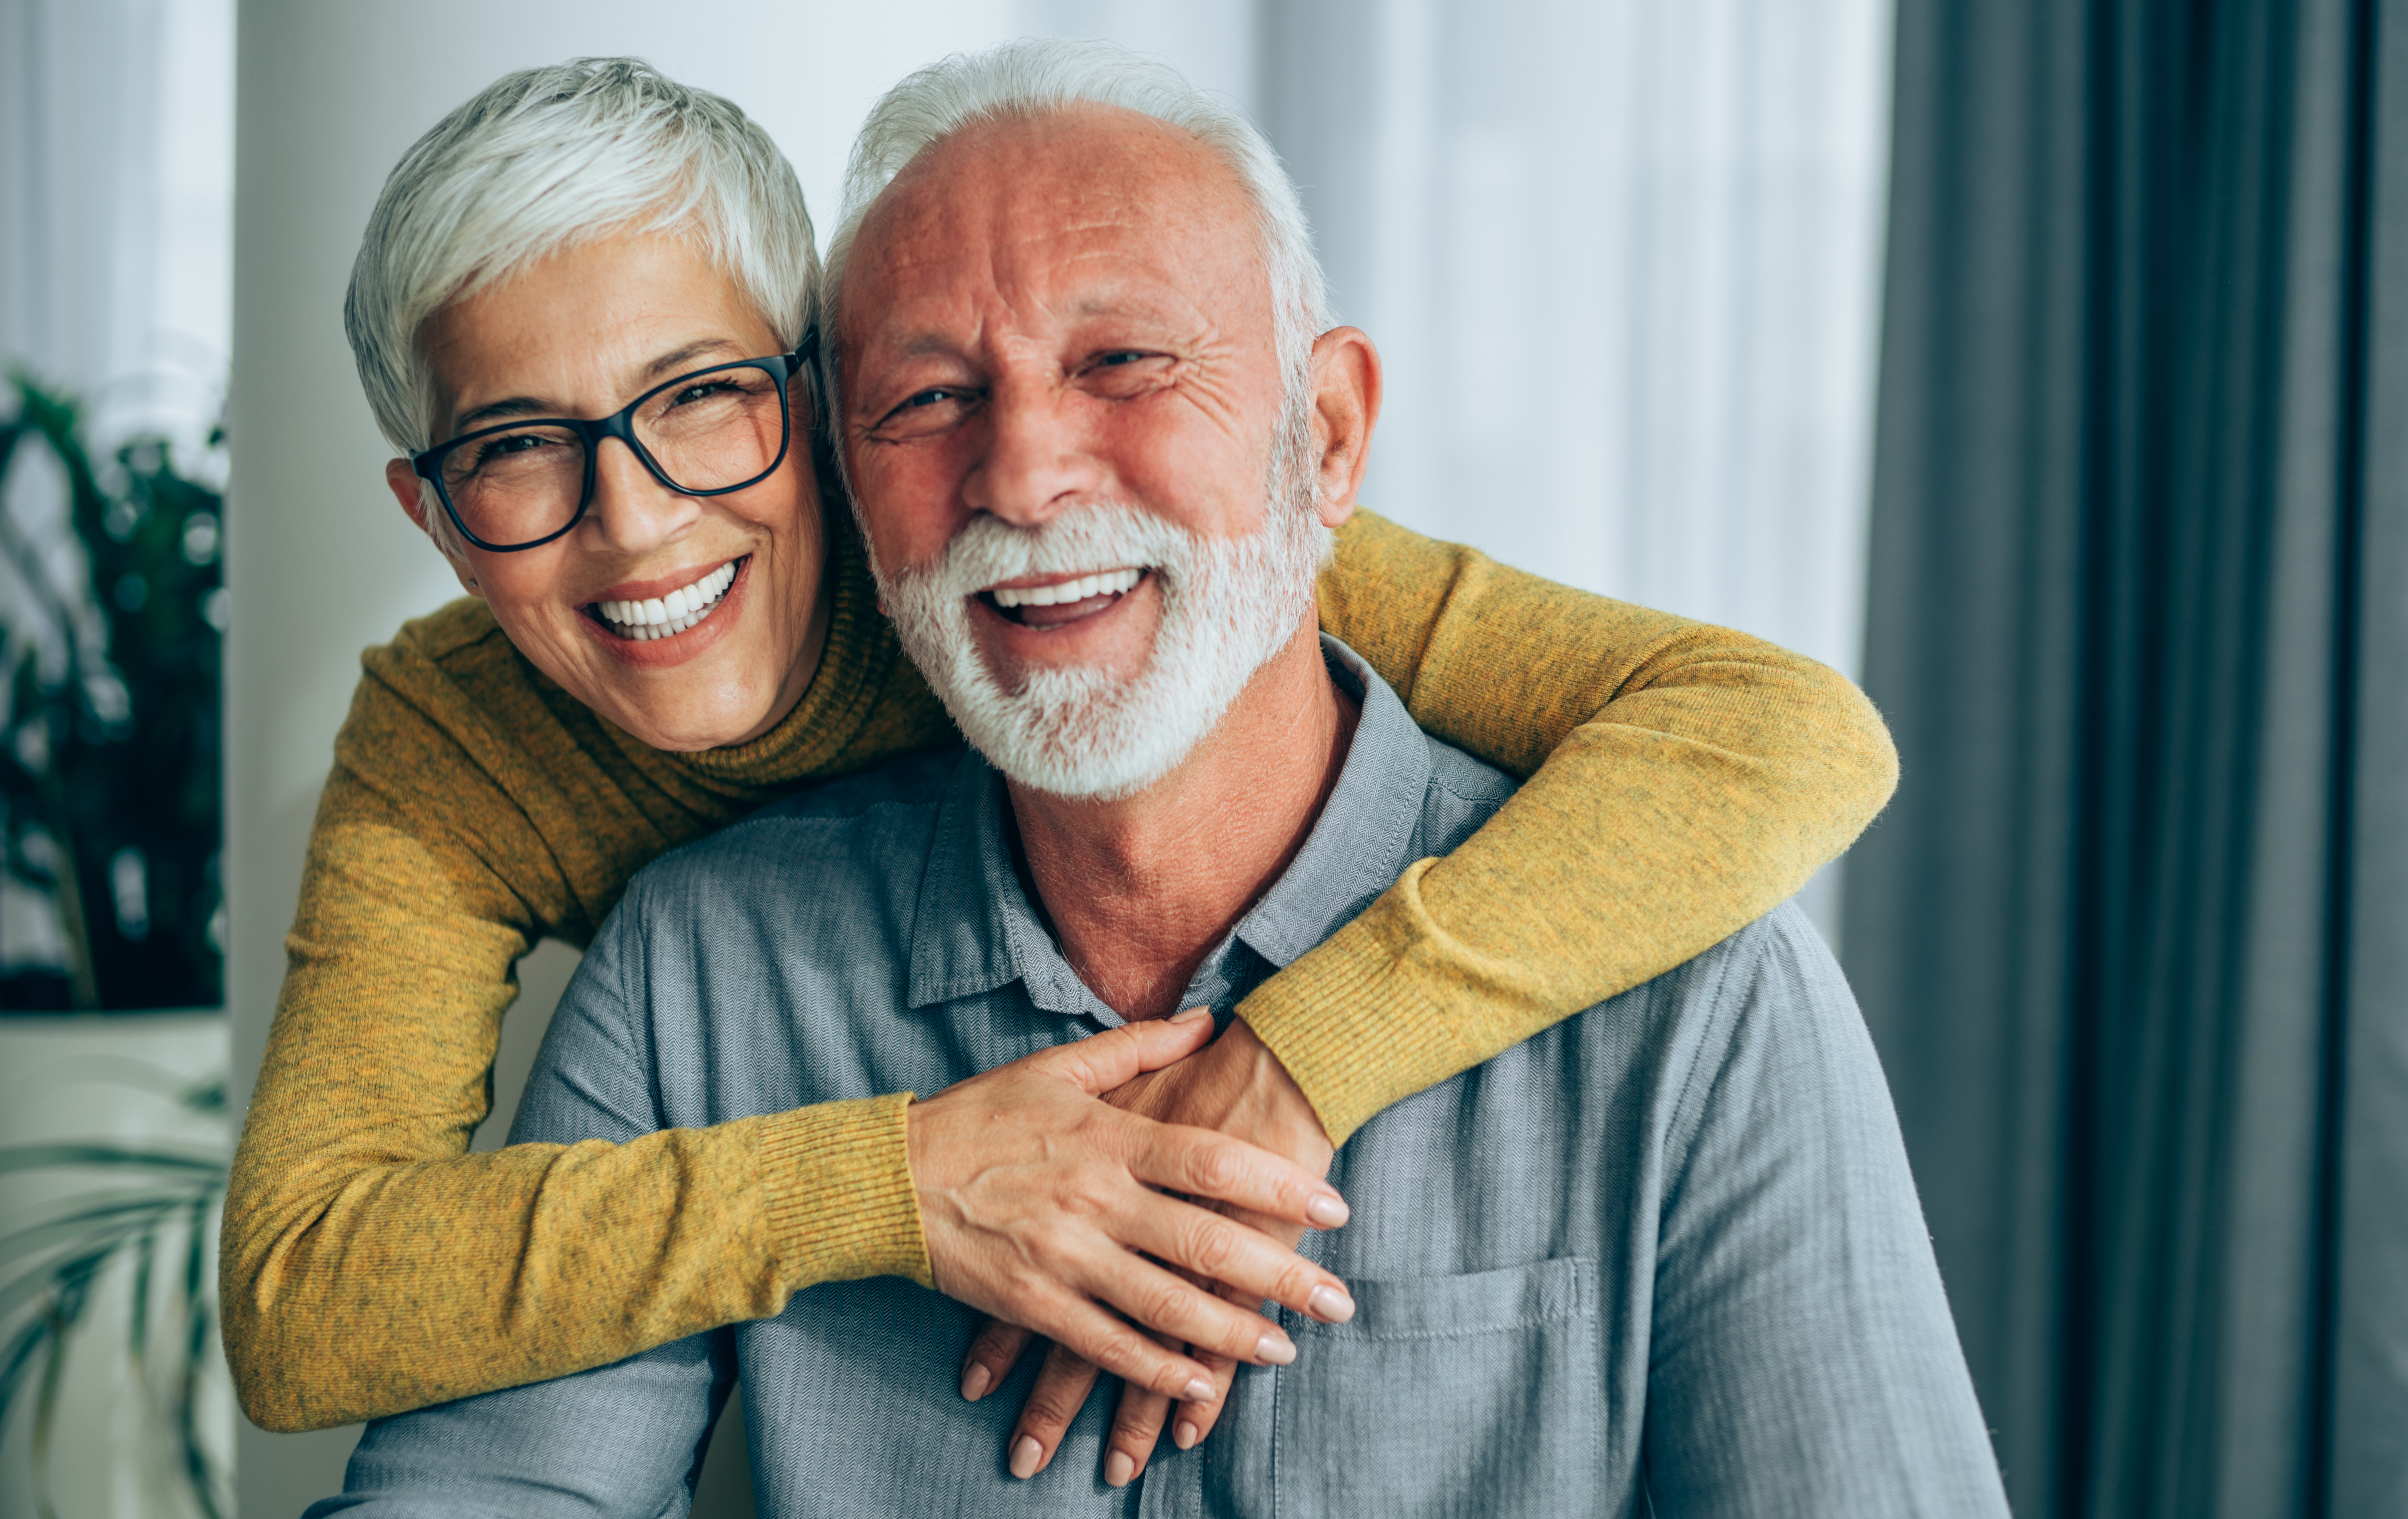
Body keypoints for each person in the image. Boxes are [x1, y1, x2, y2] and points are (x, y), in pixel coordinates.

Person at [307, 41, 2005, 1516]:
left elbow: (1784, 729)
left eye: (1123, 364)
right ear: (854, 450)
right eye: (930, 395)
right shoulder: (693, 965)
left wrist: (1301, 1054)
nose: (1029, 474)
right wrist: (886, 1184)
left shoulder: (1689, 994)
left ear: (1325, 438)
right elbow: (367, 1358)